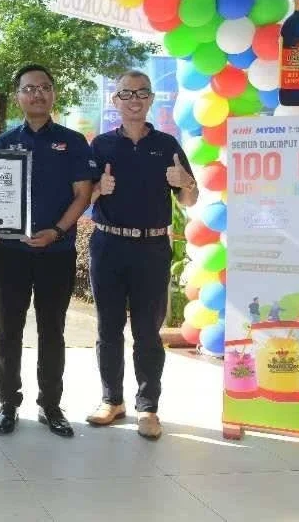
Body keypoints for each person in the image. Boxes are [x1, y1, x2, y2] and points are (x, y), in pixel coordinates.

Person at [87, 69, 197, 440]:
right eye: (126, 93)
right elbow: (81, 197)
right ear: (115, 100)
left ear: (150, 99)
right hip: (108, 245)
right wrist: (98, 189)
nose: (134, 100)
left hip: (152, 248)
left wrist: (184, 183)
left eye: (141, 93)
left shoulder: (167, 144)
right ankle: (111, 400)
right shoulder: (101, 145)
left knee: (148, 332)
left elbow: (190, 198)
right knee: (108, 327)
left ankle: (148, 407)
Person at [0, 64, 94, 438]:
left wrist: (57, 231)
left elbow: (83, 195)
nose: (37, 94)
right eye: (29, 88)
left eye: (45, 87)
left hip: (57, 252)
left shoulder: (73, 141)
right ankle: (7, 402)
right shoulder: (2, 143)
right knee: (8, 330)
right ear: (18, 96)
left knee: (52, 331)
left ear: (53, 94)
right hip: (11, 254)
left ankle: (50, 405)